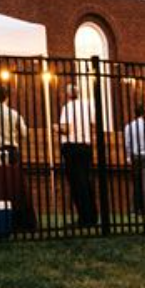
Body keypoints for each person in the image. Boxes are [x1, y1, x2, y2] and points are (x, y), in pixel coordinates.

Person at [57, 82, 97, 227]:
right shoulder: (88, 106)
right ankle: (92, 216)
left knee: (76, 184)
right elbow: (93, 125)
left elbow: (66, 129)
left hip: (72, 147)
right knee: (87, 182)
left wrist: (56, 129)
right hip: (86, 146)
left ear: (68, 94)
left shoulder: (67, 108)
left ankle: (84, 218)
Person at [122, 103, 145, 214]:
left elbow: (127, 144)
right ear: (143, 113)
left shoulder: (128, 127)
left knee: (136, 183)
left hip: (134, 157)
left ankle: (135, 208)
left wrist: (128, 157)